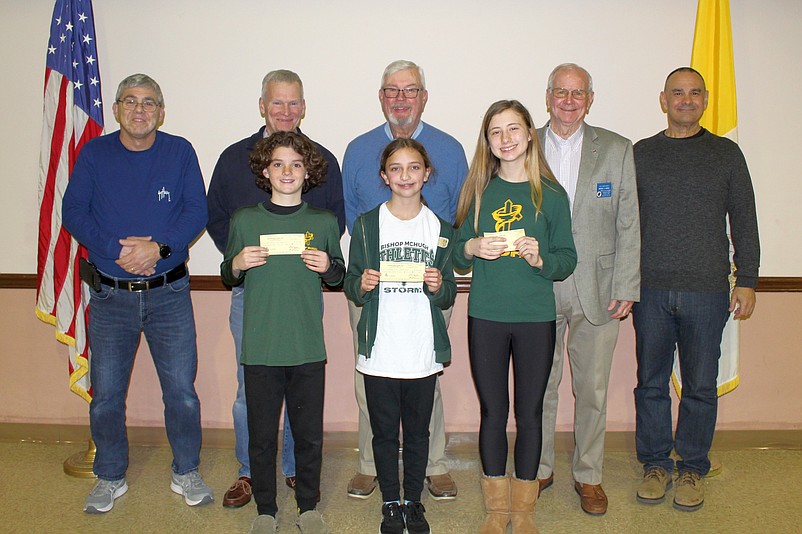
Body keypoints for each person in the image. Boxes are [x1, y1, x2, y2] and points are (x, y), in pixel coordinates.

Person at [62, 74, 211, 513]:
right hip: (110, 297)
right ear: (117, 109)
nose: (140, 110)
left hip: (169, 293)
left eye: (149, 103)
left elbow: (195, 210)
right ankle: (110, 476)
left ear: (162, 111)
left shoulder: (180, 151)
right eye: (131, 101)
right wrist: (115, 250)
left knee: (181, 392)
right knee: (106, 395)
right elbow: (73, 212)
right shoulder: (94, 153)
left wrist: (158, 248)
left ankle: (186, 470)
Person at [207, 69, 345, 508]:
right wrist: (240, 259)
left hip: (301, 292)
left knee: (299, 386)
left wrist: (318, 264)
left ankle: (292, 469)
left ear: (303, 108)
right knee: (253, 391)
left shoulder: (323, 158)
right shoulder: (233, 158)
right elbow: (216, 218)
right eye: (277, 102)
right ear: (262, 105)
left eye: (293, 103)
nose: (285, 110)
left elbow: (332, 223)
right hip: (254, 289)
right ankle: (250, 472)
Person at [633, 67, 759, 512]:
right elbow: (625, 224)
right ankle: (653, 464)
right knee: (650, 384)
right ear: (663, 100)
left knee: (700, 385)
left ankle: (691, 468)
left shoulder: (726, 153)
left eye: (694, 93)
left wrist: (747, 279)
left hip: (708, 291)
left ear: (705, 100)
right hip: (649, 290)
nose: (686, 100)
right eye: (677, 93)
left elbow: (744, 218)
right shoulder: (641, 154)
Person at [342, 59, 468, 500]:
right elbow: (350, 218)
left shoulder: (450, 150)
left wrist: (443, 275)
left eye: (410, 90)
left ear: (423, 97)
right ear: (381, 98)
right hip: (371, 287)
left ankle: (432, 464)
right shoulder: (357, 150)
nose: (401, 99)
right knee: (369, 376)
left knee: (423, 372)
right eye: (392, 90)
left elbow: (460, 216)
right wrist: (363, 279)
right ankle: (368, 464)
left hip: (429, 286)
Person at [454, 100, 577, 533]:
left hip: (534, 318)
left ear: (529, 134)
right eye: (495, 132)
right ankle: (495, 508)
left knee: (530, 412)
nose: (505, 140)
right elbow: (455, 251)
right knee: (493, 410)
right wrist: (470, 248)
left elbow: (567, 259)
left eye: (513, 130)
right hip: (486, 315)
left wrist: (542, 260)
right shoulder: (478, 190)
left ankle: (523, 510)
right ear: (487, 141)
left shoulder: (551, 194)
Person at [535, 63, 641, 515]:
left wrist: (628, 284)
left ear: (590, 98)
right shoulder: (524, 145)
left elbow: (629, 221)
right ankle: (536, 469)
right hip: (537, 287)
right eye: (561, 91)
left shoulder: (617, 149)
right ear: (548, 96)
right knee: (539, 386)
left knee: (593, 390)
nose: (569, 100)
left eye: (578, 93)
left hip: (598, 289)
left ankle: (589, 475)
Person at [345, 138, 457, 534]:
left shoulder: (441, 230)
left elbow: (447, 293)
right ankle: (390, 503)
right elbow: (349, 283)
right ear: (384, 176)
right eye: (396, 168)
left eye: (414, 168)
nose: (405, 176)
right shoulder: (366, 225)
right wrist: (362, 283)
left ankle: (414, 501)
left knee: (419, 432)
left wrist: (440, 284)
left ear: (427, 174)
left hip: (420, 349)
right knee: (383, 431)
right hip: (380, 349)